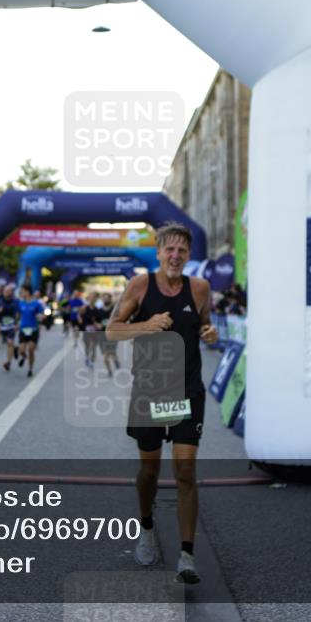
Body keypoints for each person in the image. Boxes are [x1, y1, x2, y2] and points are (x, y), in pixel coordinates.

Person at [105, 222, 219, 585]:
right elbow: (111, 330)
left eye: (182, 251)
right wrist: (147, 324)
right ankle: (147, 524)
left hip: (186, 391)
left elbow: (204, 325)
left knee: (185, 471)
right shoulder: (140, 286)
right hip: (150, 392)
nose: (175, 256)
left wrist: (211, 334)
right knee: (150, 472)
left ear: (188, 256)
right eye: (169, 249)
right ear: (158, 253)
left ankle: (187, 554)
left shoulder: (199, 288)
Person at [17, 285, 44, 378]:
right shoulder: (21, 303)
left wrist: (41, 317)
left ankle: (30, 369)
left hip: (33, 329)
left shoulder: (36, 303)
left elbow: (42, 314)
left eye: (23, 291)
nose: (21, 293)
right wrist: (16, 323)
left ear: (28, 292)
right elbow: (18, 315)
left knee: (31, 349)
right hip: (23, 329)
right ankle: (24, 356)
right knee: (21, 350)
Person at [0, 285, 21, 372]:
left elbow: (19, 313)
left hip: (12, 326)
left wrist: (17, 323)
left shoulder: (16, 302)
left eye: (8, 291)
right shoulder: (0, 302)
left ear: (11, 292)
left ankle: (8, 363)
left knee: (10, 342)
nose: (6, 292)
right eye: (5, 291)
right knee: (8, 343)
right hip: (3, 326)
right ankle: (15, 348)